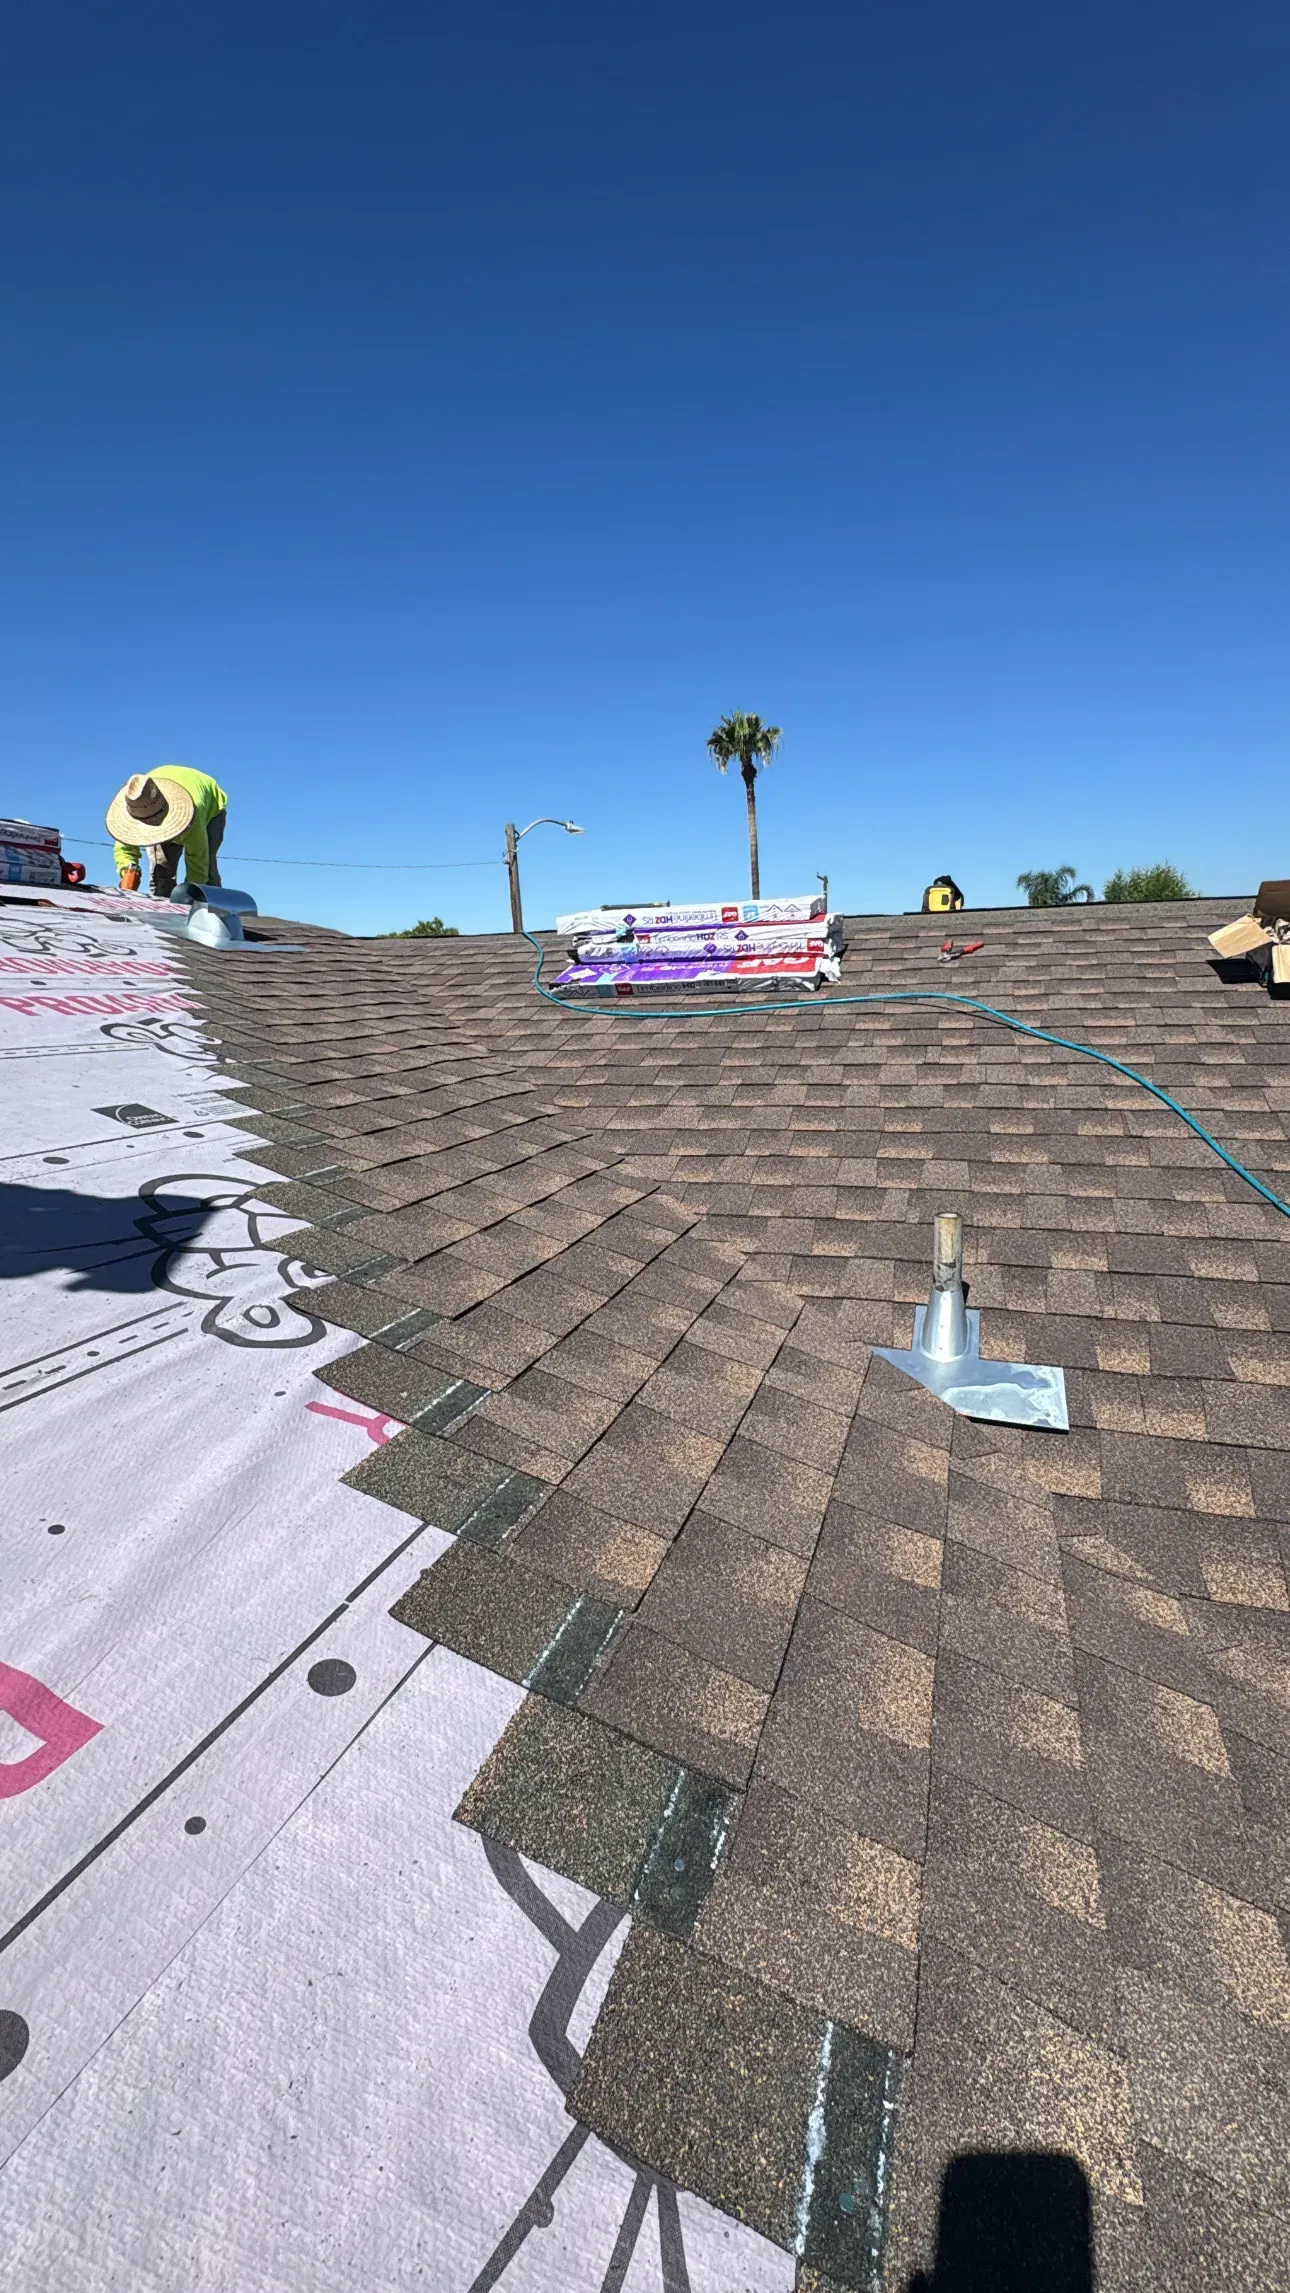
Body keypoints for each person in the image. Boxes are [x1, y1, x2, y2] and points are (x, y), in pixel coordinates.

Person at [106, 767, 229, 898]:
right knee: (161, 875)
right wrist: (129, 869)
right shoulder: (139, 801)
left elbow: (198, 866)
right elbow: (124, 848)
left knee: (207, 874)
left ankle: (215, 911)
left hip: (211, 810)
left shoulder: (194, 818)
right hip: (160, 802)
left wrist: (190, 898)